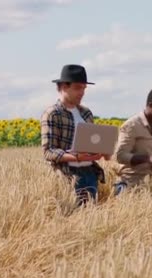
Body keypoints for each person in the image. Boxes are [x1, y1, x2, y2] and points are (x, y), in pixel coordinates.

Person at [41, 64, 110, 207]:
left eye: (84, 88)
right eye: (78, 88)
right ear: (64, 87)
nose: (82, 92)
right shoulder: (52, 114)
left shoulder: (86, 113)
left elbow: (92, 143)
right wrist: (77, 157)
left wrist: (102, 151)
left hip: (90, 174)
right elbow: (48, 151)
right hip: (67, 176)